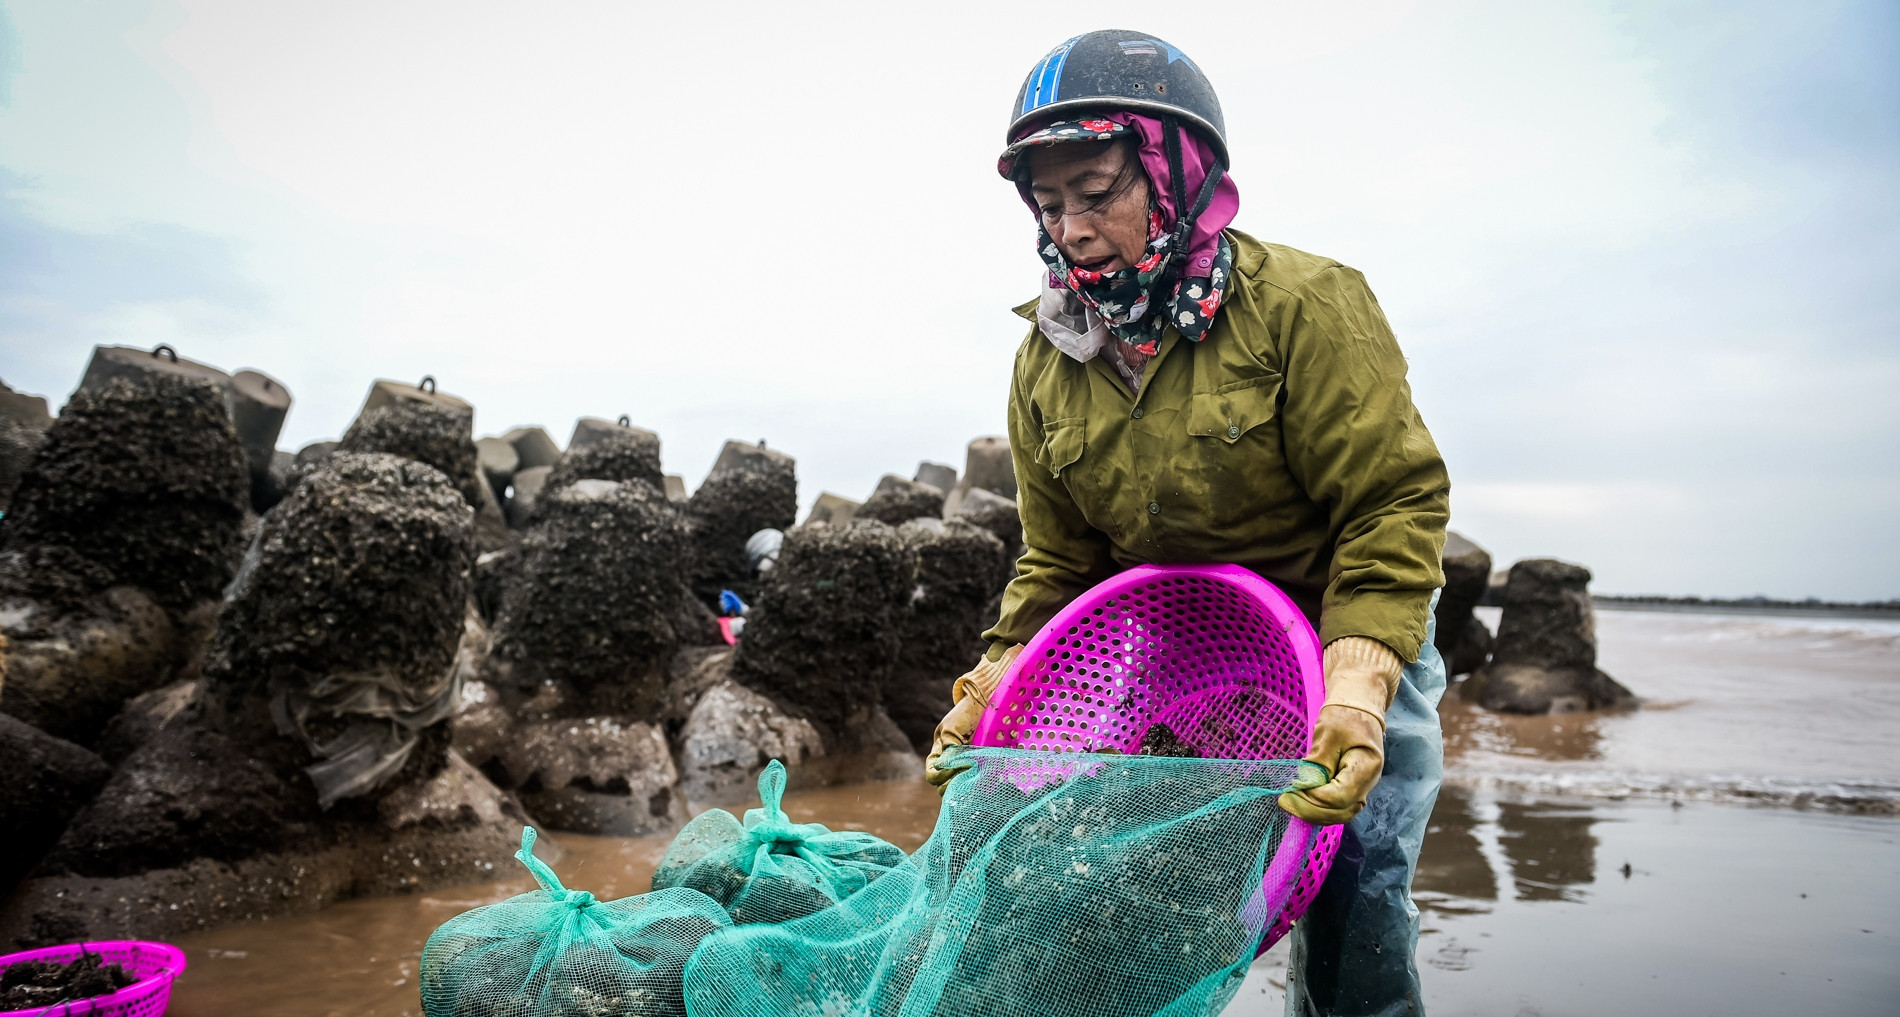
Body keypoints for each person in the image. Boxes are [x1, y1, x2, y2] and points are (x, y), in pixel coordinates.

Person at [922, 29, 1452, 1017]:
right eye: (1046, 205)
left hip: (1343, 636)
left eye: (1094, 193)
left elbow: (1390, 503)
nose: (1069, 231)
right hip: (1187, 663)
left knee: (1357, 910)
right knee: (1131, 910)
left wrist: (1361, 690)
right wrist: (988, 677)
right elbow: (1060, 559)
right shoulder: (1052, 356)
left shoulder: (1306, 305)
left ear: (1176, 175)